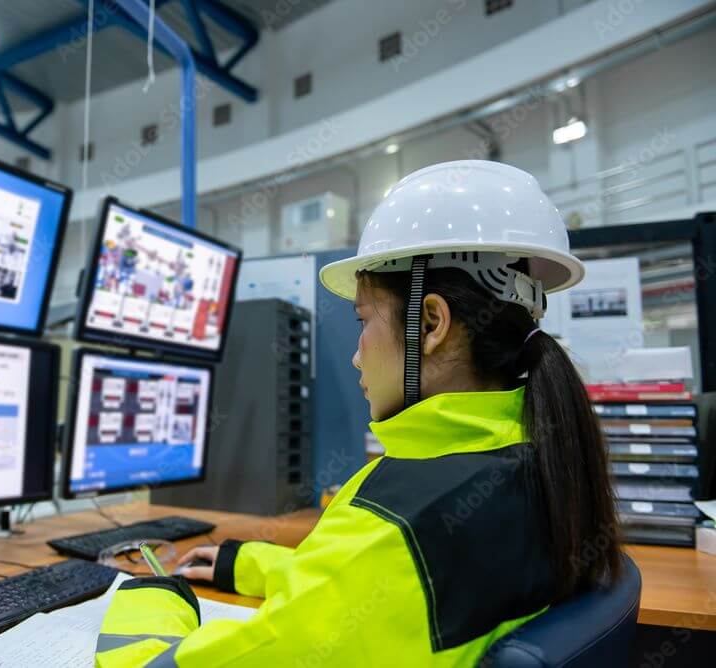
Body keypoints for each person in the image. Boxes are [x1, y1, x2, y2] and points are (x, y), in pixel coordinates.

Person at [94, 160, 621, 667]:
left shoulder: (393, 530)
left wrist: (153, 596)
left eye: (364, 318)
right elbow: (363, 591)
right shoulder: (530, 453)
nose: (355, 353)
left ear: (431, 323)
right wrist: (248, 563)